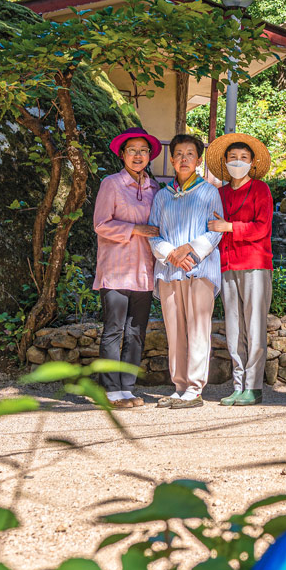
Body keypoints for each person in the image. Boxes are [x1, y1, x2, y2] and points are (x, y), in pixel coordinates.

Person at [147, 134, 224, 409]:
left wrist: (189, 251)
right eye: (178, 154)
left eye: (190, 154)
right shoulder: (161, 196)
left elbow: (215, 232)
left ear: (199, 161)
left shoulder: (209, 192)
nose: (183, 159)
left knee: (198, 327)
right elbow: (153, 233)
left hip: (200, 269)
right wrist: (172, 254)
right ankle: (179, 386)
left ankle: (195, 388)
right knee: (175, 330)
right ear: (171, 159)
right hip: (170, 270)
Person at [92, 127, 162, 409]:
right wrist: (136, 229)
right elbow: (101, 224)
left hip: (144, 272)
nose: (137, 155)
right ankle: (111, 391)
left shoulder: (155, 188)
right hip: (117, 269)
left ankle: (128, 388)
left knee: (136, 331)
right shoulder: (111, 184)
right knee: (113, 329)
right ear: (122, 154)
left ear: (149, 156)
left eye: (143, 151)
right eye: (132, 150)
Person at [204, 133, 273, 407]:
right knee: (234, 329)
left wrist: (230, 226)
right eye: (233, 157)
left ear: (252, 162)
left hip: (255, 264)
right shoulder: (218, 194)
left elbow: (262, 228)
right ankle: (238, 384)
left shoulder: (261, 190)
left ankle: (253, 387)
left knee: (255, 326)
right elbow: (209, 225)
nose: (238, 162)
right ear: (224, 161)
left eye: (243, 158)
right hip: (226, 264)